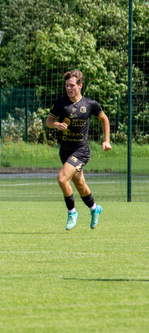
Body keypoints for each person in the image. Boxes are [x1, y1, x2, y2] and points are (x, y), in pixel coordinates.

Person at [45, 69, 111, 230]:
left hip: (81, 150)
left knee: (62, 179)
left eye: (72, 85)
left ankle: (72, 212)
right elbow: (49, 121)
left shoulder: (90, 104)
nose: (69, 88)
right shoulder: (61, 103)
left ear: (80, 86)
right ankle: (95, 208)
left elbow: (104, 119)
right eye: (67, 85)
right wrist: (57, 125)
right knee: (80, 184)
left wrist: (106, 140)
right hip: (65, 151)